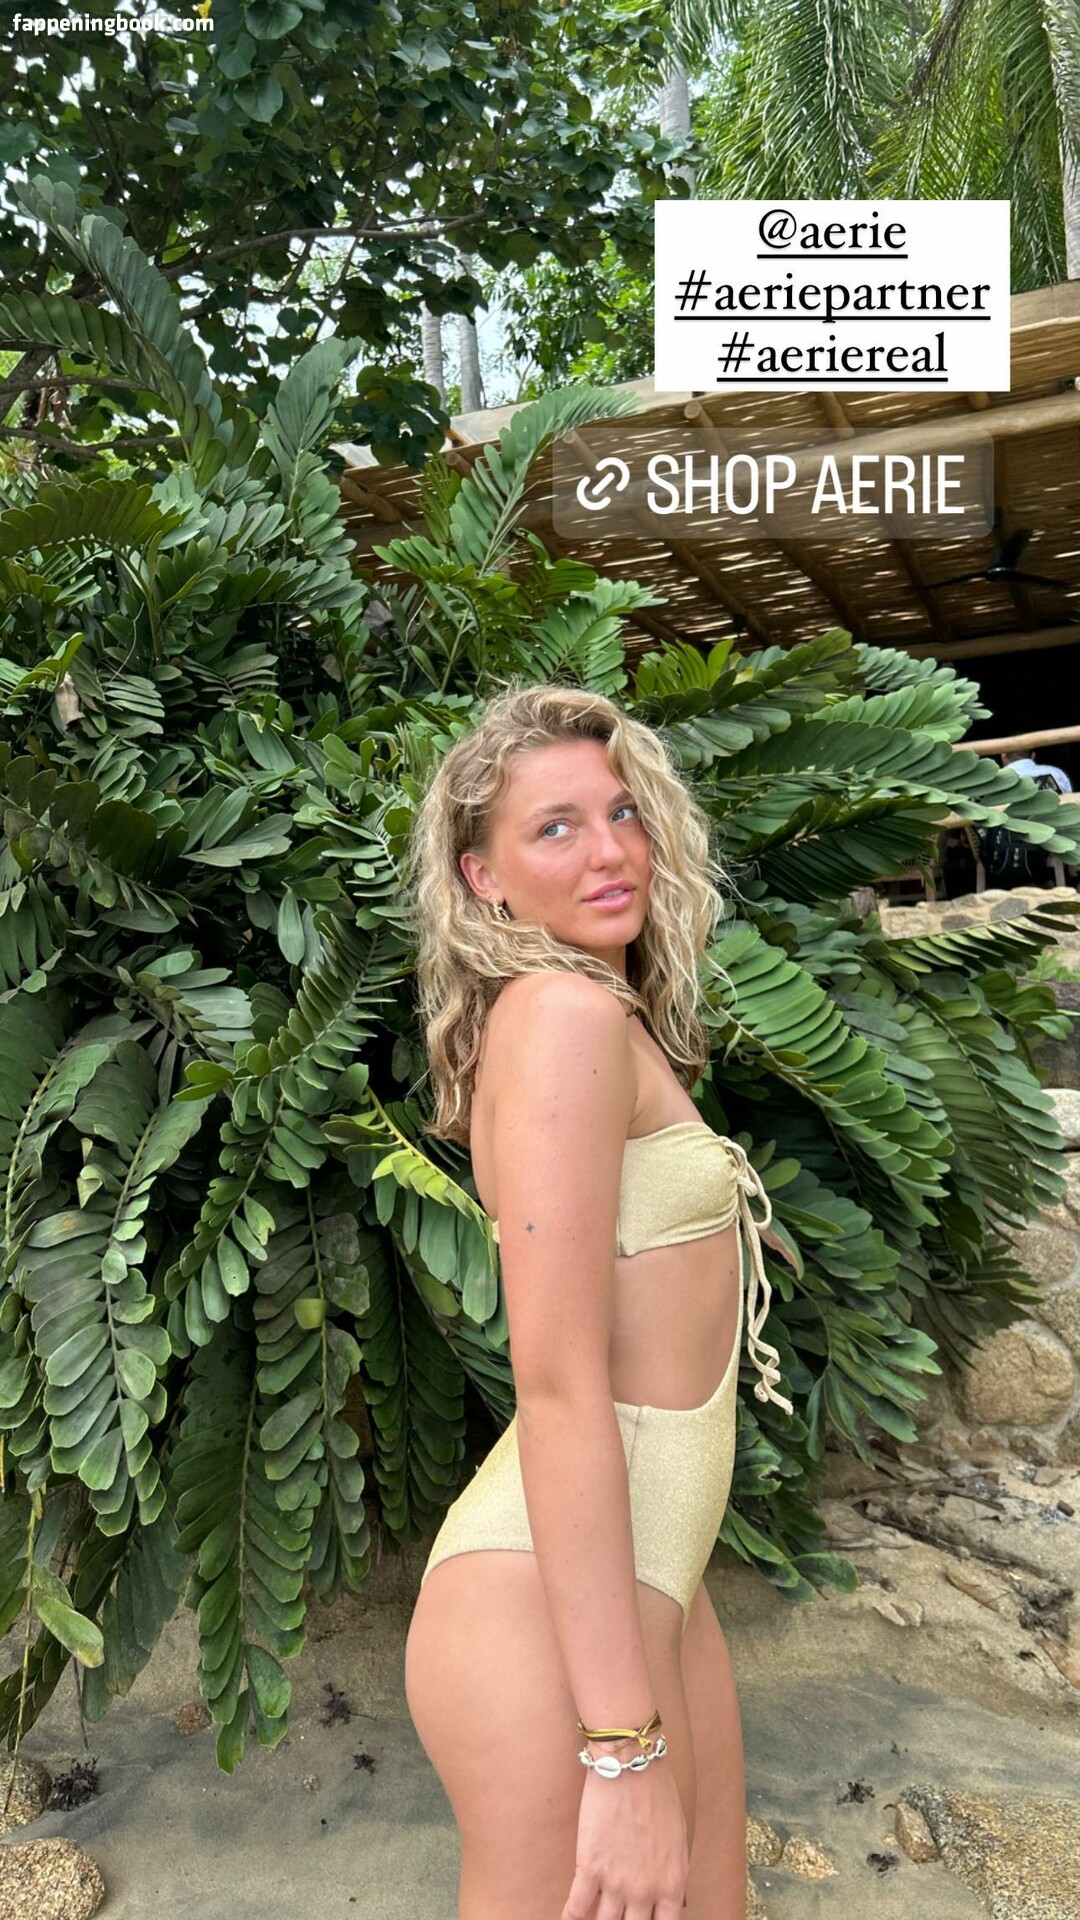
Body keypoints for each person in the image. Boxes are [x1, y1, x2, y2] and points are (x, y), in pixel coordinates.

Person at [402, 680, 797, 1920]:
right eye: (556, 827)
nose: (612, 849)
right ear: (482, 877)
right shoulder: (562, 1017)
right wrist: (619, 1750)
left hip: (650, 1576)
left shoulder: (595, 1020)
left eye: (622, 811)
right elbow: (562, 1386)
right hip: (545, 1620)